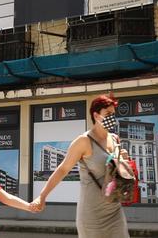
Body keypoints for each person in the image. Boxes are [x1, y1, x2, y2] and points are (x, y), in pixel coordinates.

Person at [32, 94, 130, 238]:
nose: (112, 118)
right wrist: (42, 196)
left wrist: (123, 159)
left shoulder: (115, 139)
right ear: (96, 115)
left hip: (115, 211)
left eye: (113, 114)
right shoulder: (84, 141)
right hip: (92, 215)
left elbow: (115, 171)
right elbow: (63, 169)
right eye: (108, 114)